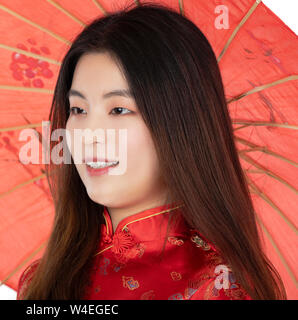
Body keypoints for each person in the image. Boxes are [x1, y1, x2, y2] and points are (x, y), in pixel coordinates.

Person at [17, 2, 286, 300]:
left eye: (118, 110)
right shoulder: (44, 280)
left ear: (179, 124)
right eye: (78, 109)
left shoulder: (218, 287)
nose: (88, 135)